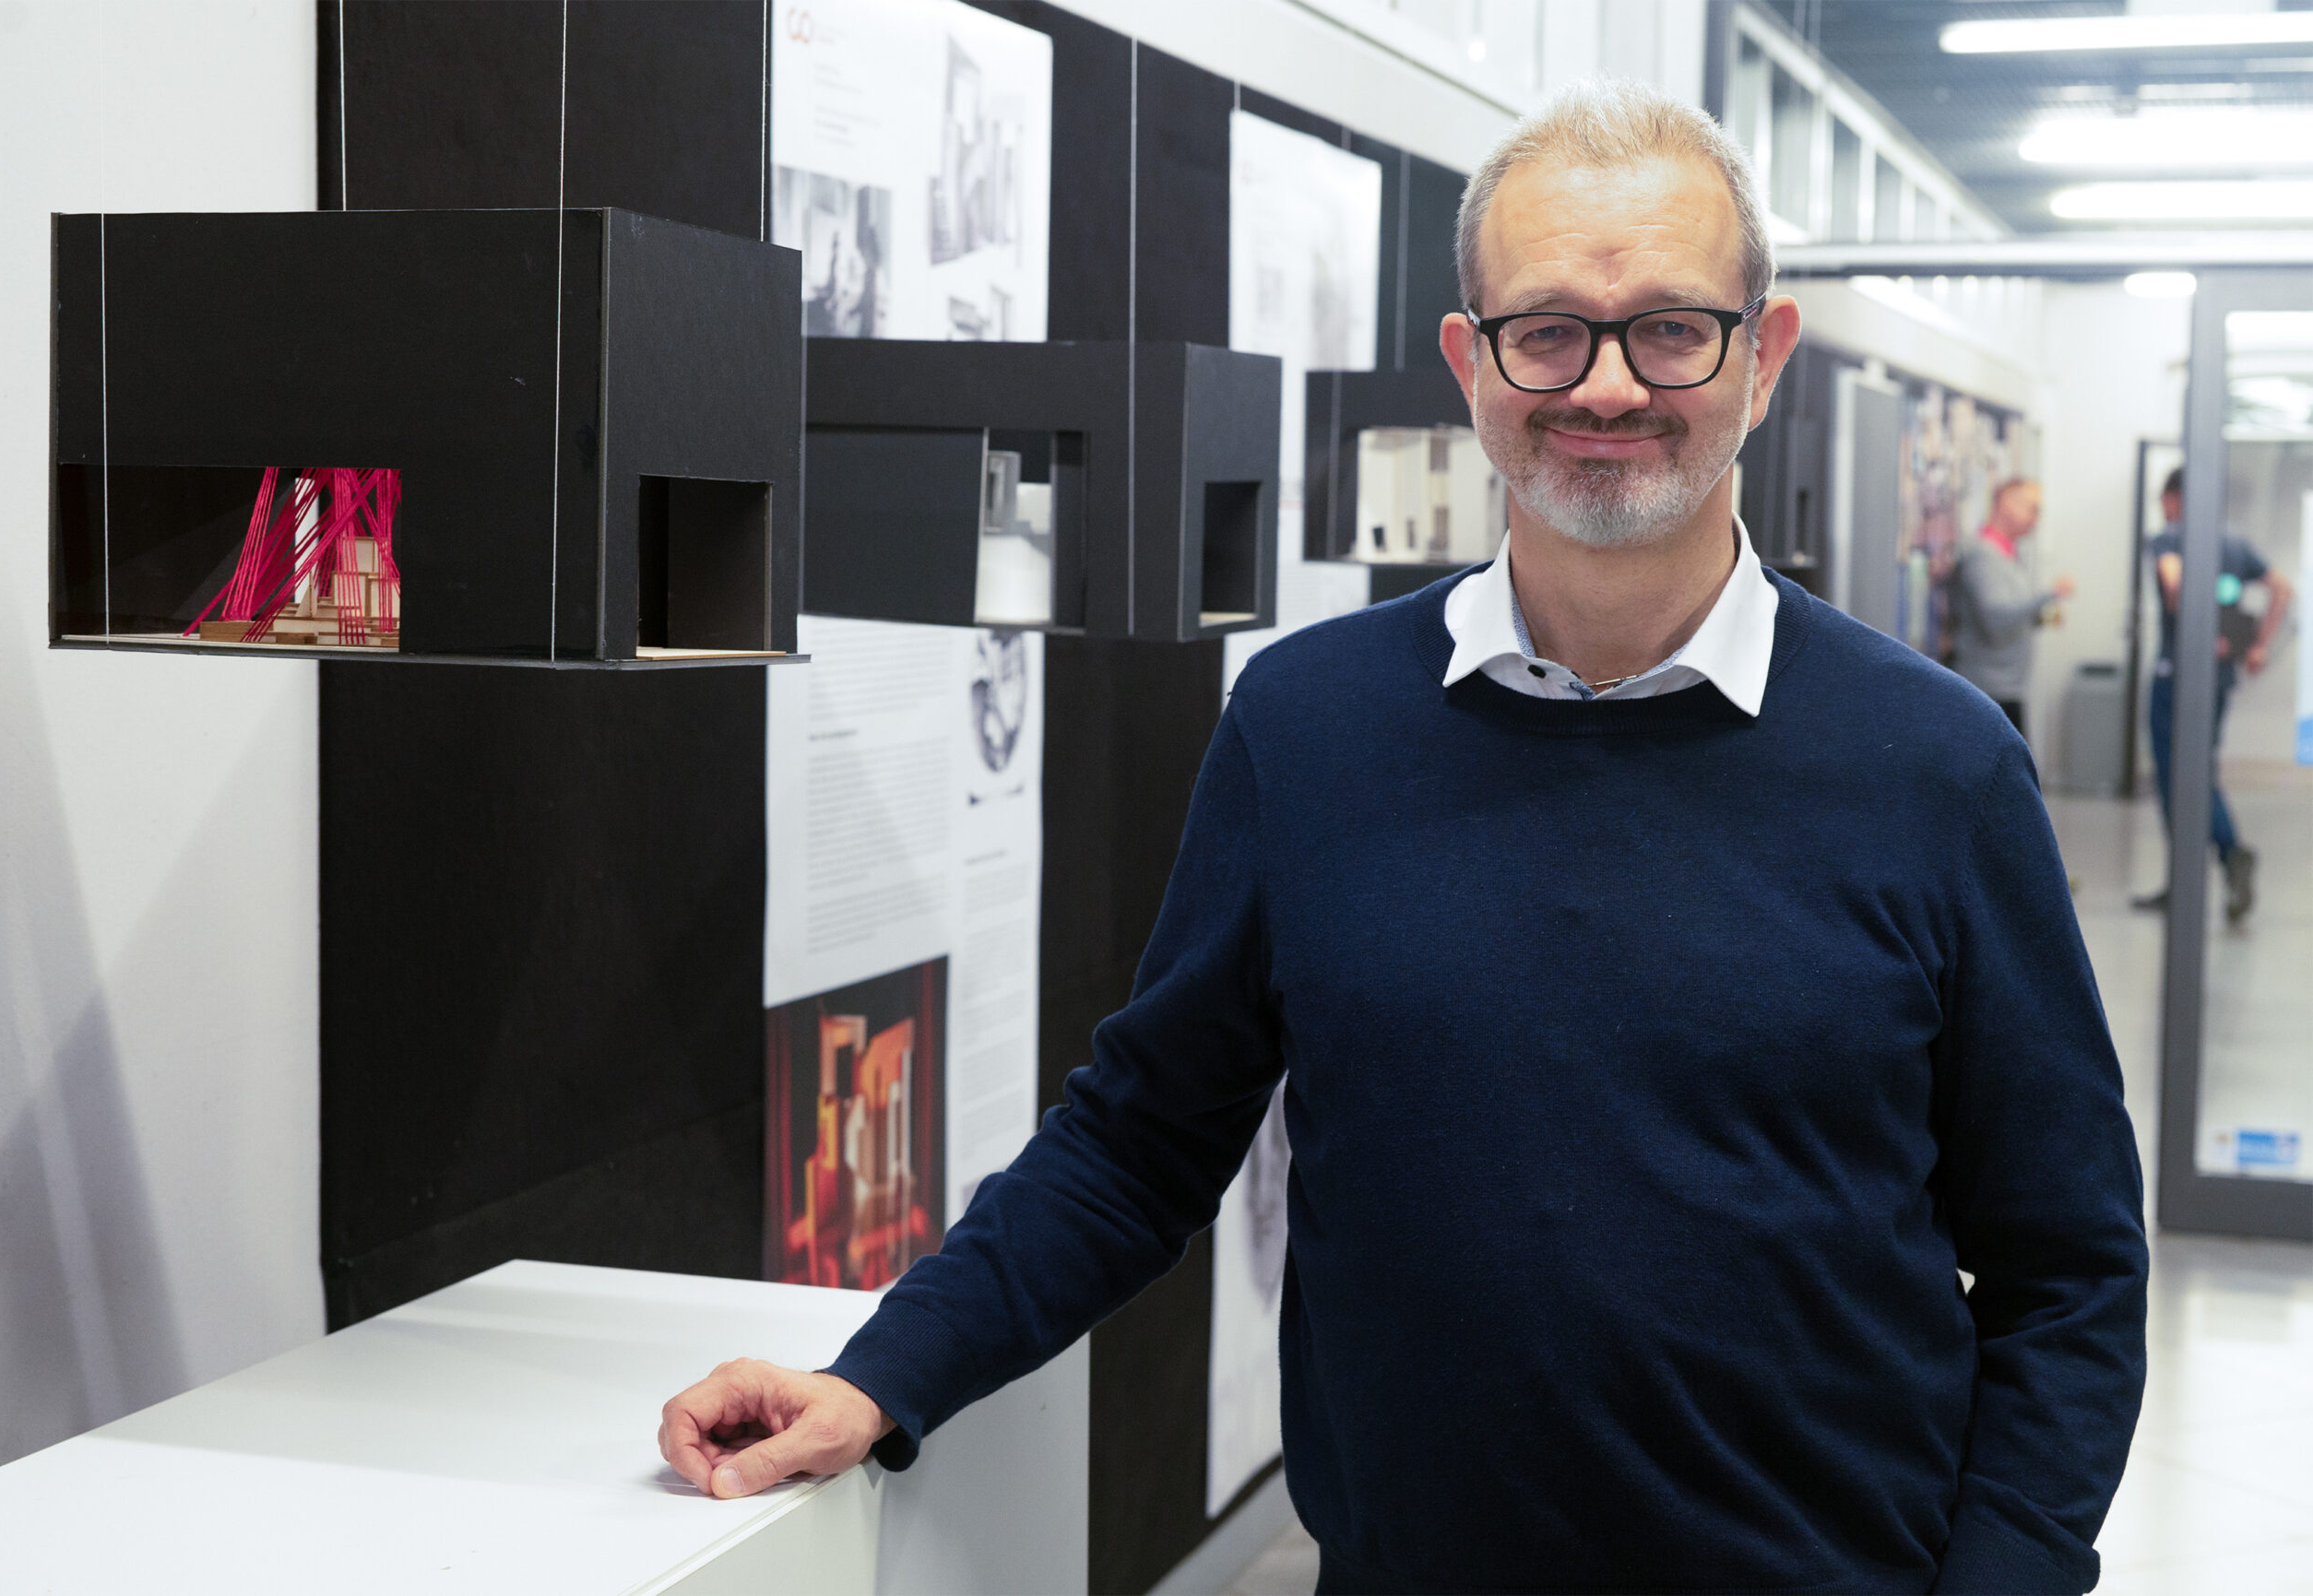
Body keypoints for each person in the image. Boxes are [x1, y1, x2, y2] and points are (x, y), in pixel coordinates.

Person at [660, 81, 2147, 1595]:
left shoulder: (1938, 766)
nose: (1609, 386)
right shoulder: (1307, 726)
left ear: (1761, 356)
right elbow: (1141, 1138)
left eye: (1672, 329)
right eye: (1549, 328)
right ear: (1470, 361)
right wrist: (884, 1373)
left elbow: (2067, 1268)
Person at [2132, 467, 2294, 921]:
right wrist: (2255, 643)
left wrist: (2201, 631)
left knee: (2176, 778)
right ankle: (2205, 869)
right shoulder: (2235, 543)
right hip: (2219, 678)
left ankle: (2224, 855)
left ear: (2173, 498)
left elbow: (2174, 585)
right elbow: (2282, 588)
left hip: (2176, 676)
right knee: (2201, 769)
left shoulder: (2170, 537)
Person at [1947, 478, 2072, 736]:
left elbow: (2016, 615)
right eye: (2032, 508)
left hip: (2006, 687)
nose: (2035, 519)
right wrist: (2048, 596)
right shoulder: (1983, 555)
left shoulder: (2008, 555)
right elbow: (1996, 618)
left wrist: (2042, 612)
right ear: (2005, 503)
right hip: (1987, 689)